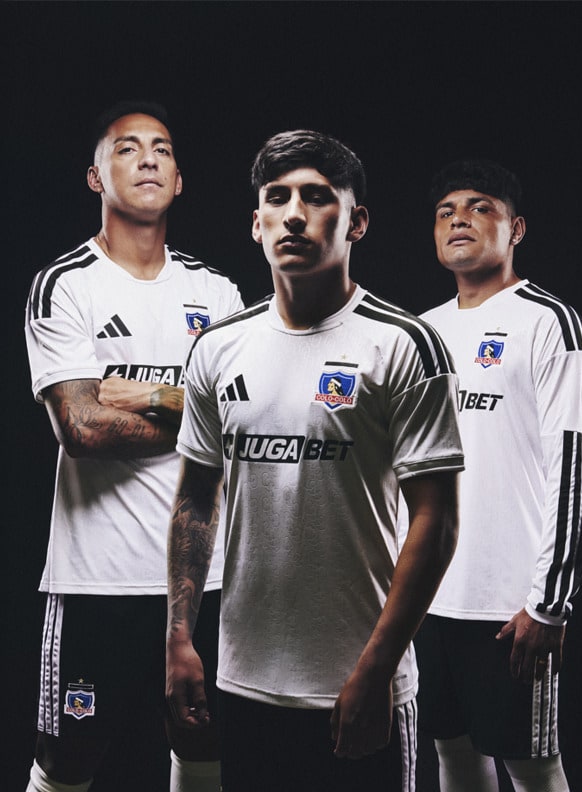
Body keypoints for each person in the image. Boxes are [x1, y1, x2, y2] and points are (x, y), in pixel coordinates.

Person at [165, 129, 465, 792]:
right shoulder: (219, 348)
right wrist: (180, 639)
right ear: (256, 223)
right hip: (242, 684)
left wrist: (377, 670)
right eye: (277, 198)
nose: (294, 213)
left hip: (358, 687)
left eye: (317, 197)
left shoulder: (406, 344)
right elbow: (194, 499)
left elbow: (436, 522)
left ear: (356, 220)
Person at [24, 100, 244, 792]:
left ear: (179, 180)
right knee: (67, 762)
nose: (148, 158)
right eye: (126, 148)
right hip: (99, 584)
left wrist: (134, 392)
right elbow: (81, 428)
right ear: (96, 177)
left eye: (162, 149)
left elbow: (246, 420)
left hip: (204, 581)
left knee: (202, 743)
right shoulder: (66, 285)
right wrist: (196, 405)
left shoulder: (218, 292)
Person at [414, 159, 582, 792]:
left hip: (510, 606)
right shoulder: (422, 334)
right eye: (446, 211)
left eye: (479, 206)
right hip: (427, 599)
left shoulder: (550, 324)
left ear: (516, 228)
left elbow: (573, 467)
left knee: (533, 767)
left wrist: (549, 603)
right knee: (452, 754)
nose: (459, 218)